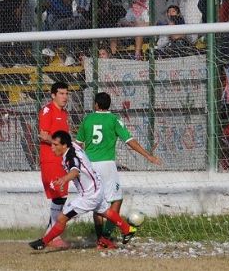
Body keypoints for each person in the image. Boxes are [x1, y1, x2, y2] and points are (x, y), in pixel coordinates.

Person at [75, 92, 161, 248]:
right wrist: (148, 156)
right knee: (116, 200)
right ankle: (106, 237)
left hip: (89, 166)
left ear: (96, 105)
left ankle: (100, 238)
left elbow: (78, 145)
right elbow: (130, 141)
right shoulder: (114, 120)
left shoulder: (87, 120)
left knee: (98, 201)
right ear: (109, 105)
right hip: (106, 166)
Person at [29, 130, 137, 250]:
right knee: (106, 211)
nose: (52, 147)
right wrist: (48, 138)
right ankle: (128, 230)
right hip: (97, 188)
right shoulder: (72, 145)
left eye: (55, 145)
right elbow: (62, 143)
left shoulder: (71, 156)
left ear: (64, 145)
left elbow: (74, 171)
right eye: (52, 144)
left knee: (61, 218)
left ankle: (43, 243)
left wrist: (64, 179)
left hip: (89, 196)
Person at [37, 82, 71, 248]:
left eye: (66, 94)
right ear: (53, 95)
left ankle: (50, 234)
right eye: (61, 93)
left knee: (61, 196)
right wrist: (60, 144)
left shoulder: (64, 113)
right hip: (50, 159)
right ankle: (52, 236)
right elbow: (43, 135)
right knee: (59, 195)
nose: (65, 97)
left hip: (61, 160)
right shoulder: (47, 110)